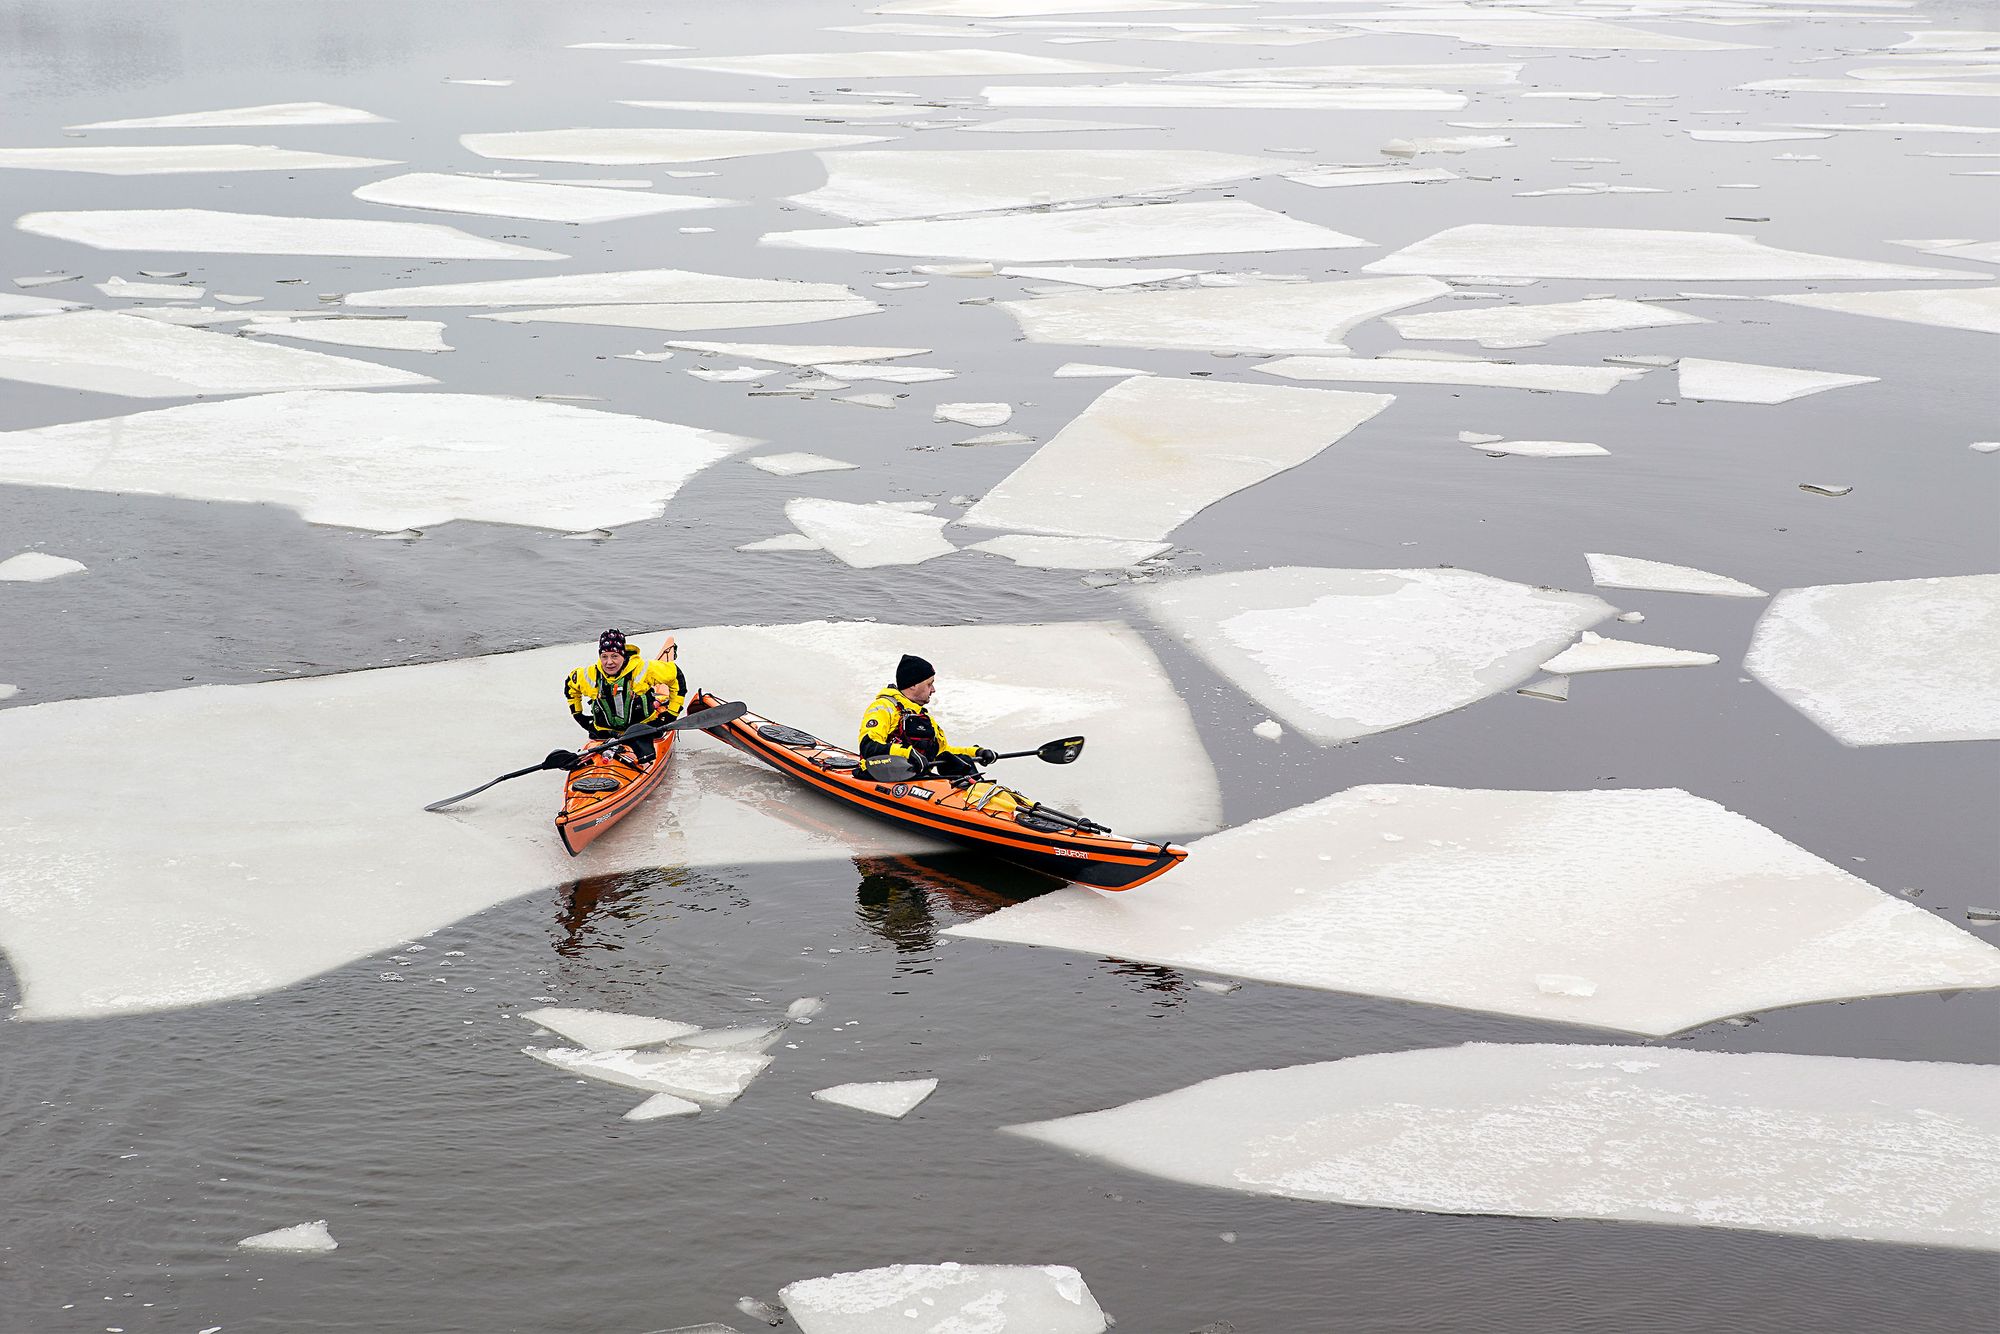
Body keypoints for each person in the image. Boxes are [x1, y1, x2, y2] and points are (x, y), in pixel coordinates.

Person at [858, 654, 996, 779]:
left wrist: (977, 752)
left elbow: (943, 752)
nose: (933, 690)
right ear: (913, 685)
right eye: (929, 684)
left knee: (959, 760)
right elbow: (868, 746)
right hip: (883, 776)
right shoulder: (884, 707)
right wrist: (907, 753)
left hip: (917, 778)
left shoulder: (923, 716)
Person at [564, 629, 686, 764]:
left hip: (643, 730)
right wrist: (578, 715)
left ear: (623, 655)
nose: (609, 662)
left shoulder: (644, 669)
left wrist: (671, 713)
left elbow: (676, 678)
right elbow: (570, 686)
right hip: (604, 733)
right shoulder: (589, 674)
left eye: (614, 656)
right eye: (604, 656)